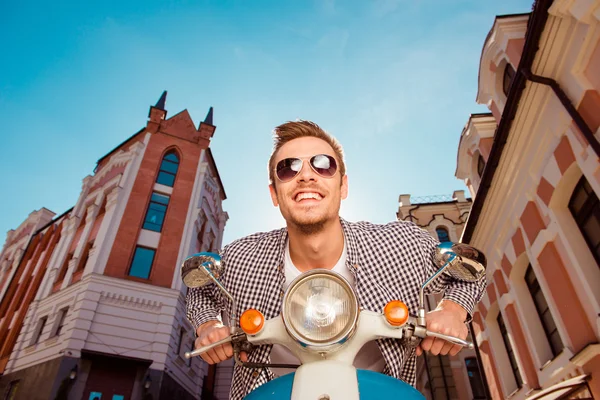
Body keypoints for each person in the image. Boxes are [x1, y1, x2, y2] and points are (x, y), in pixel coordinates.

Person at [186, 120, 486, 400]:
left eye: (323, 164)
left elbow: (468, 272)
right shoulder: (242, 257)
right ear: (274, 193)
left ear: (343, 185)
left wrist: (451, 311)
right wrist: (209, 326)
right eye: (288, 169)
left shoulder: (400, 244)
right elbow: (200, 288)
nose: (306, 175)